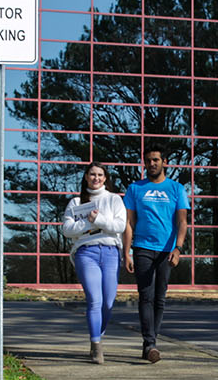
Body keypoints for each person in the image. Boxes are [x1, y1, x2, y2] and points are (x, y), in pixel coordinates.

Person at [122, 148, 189, 363]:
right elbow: (129, 223)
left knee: (160, 298)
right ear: (145, 163)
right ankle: (149, 343)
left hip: (166, 250)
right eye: (149, 160)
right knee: (146, 295)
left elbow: (182, 222)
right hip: (142, 247)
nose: (152, 163)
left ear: (164, 162)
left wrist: (178, 248)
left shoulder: (176, 189)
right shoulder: (135, 189)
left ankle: (152, 341)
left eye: (156, 160)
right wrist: (127, 251)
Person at [61, 163, 127, 364]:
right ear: (86, 177)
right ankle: (96, 344)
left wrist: (99, 220)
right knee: (94, 300)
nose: (96, 178)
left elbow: (120, 225)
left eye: (100, 174)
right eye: (92, 174)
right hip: (86, 253)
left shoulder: (114, 199)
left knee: (108, 302)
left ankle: (98, 333)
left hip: (110, 252)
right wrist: (88, 223)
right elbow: (67, 229)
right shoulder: (76, 202)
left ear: (105, 178)